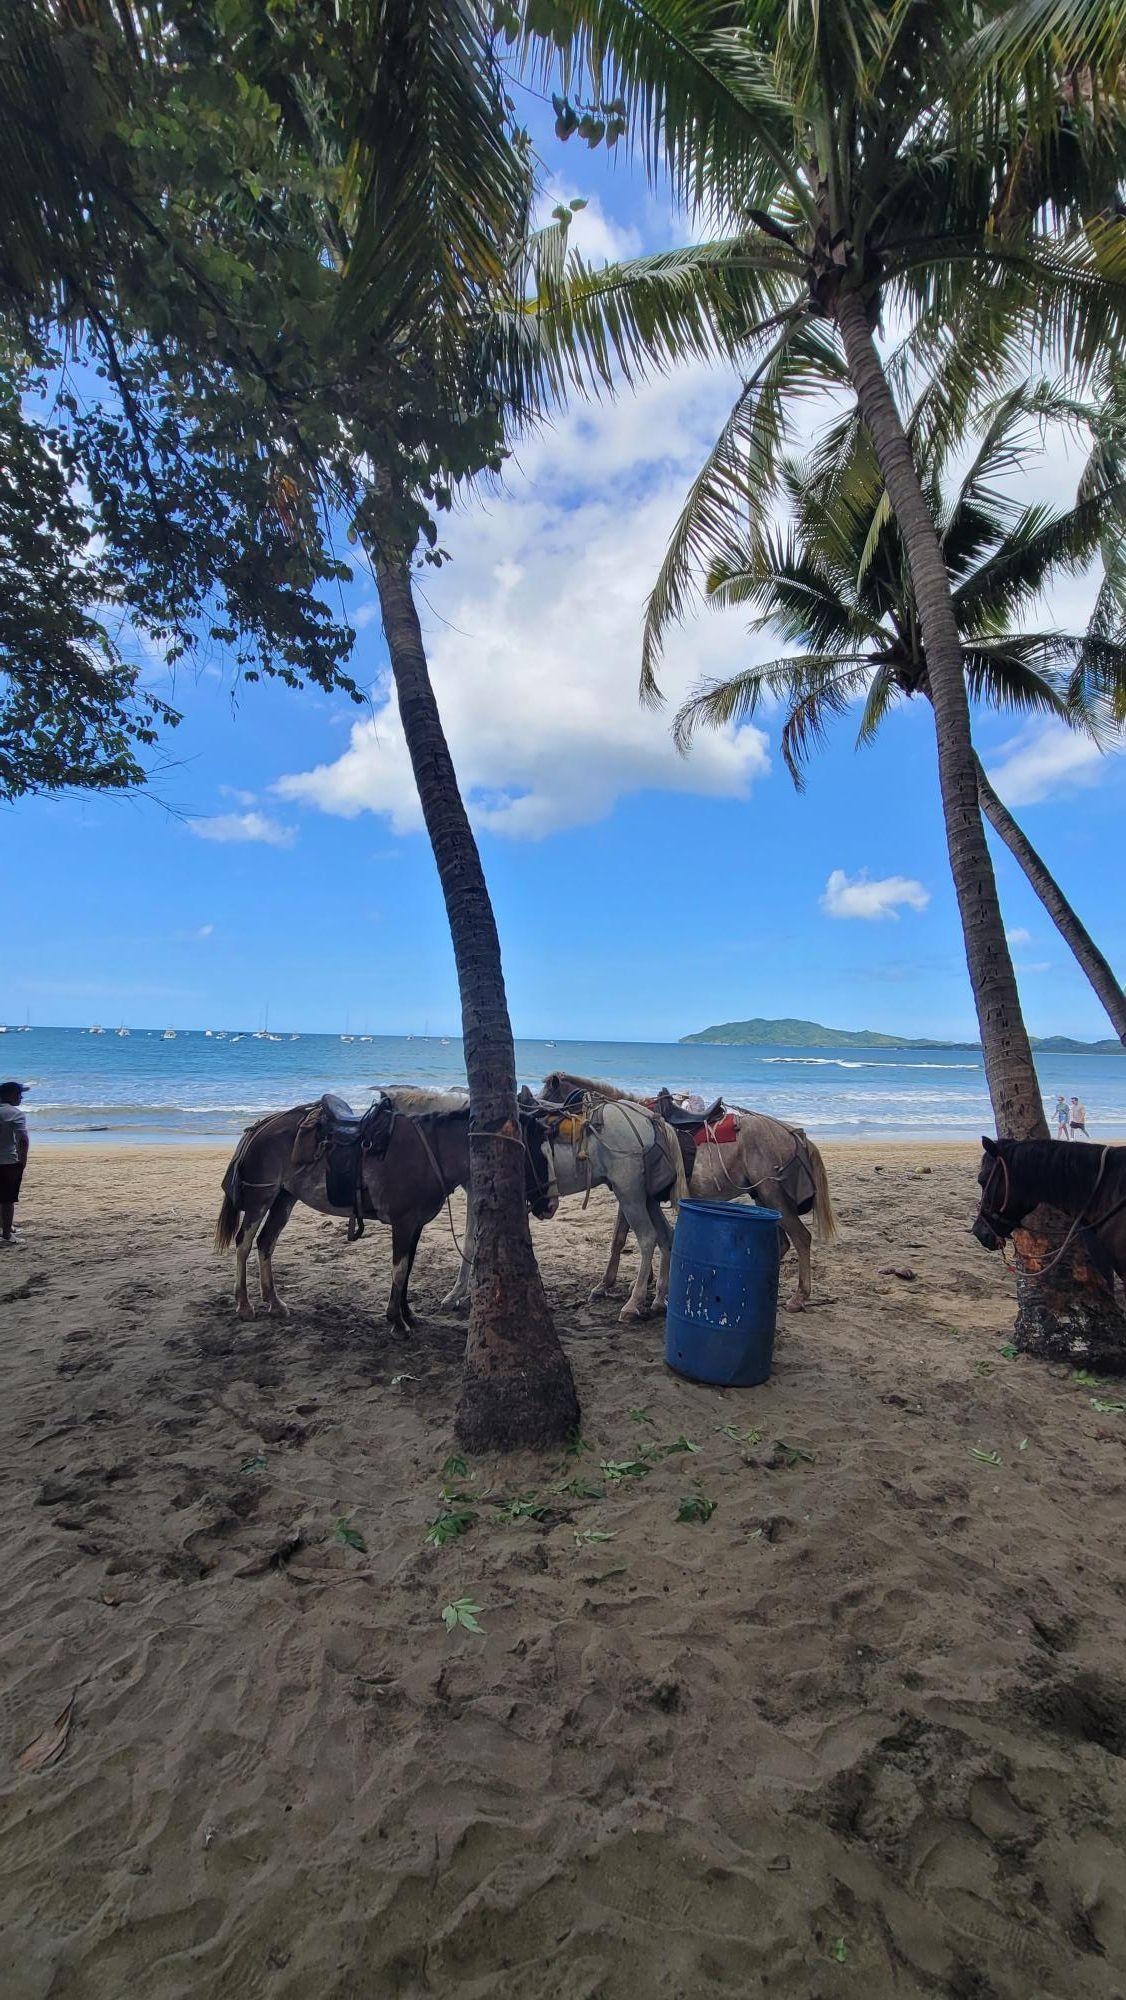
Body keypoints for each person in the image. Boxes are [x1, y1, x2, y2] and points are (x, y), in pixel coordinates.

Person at [0, 1081, 29, 1244]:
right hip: (8, 1160)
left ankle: (5, 1226)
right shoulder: (15, 1114)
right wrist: (23, 1159)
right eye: (19, 1094)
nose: (21, 1097)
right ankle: (6, 1235)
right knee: (8, 1199)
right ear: (11, 1095)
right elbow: (22, 1140)